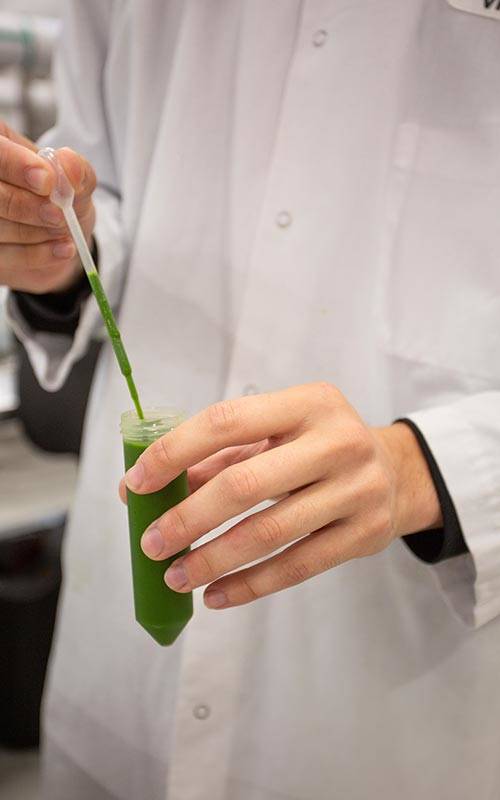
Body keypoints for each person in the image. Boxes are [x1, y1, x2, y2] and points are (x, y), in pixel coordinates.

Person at [2, 1, 500, 798]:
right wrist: (59, 252)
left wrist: (423, 468)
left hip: (389, 702)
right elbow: (108, 190)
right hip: (116, 684)